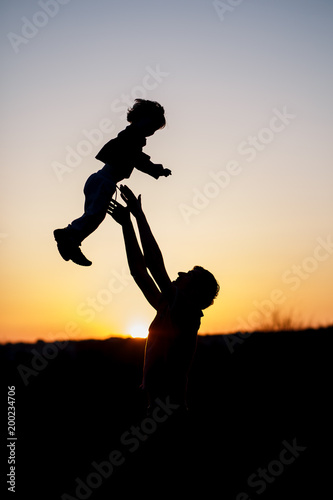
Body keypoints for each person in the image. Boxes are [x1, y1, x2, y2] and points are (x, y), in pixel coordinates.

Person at [107, 185, 220, 410]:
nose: (180, 273)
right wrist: (127, 225)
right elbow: (139, 273)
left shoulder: (186, 314)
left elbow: (155, 266)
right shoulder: (168, 309)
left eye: (189, 275)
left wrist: (138, 216)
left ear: (196, 292)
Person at [53, 99, 171, 266]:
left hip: (101, 181)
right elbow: (139, 160)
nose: (151, 131)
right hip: (103, 182)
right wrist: (156, 169)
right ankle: (68, 235)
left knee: (94, 217)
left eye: (154, 130)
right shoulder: (130, 138)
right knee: (94, 216)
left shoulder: (132, 139)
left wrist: (155, 169)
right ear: (139, 118)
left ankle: (72, 240)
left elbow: (138, 158)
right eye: (151, 125)